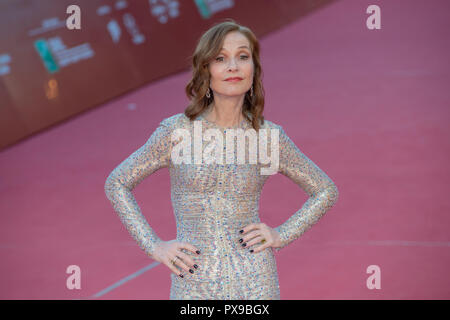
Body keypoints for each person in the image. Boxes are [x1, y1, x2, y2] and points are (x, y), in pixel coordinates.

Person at [104, 19, 339, 300]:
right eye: (220, 58)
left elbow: (325, 190)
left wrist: (281, 234)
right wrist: (154, 246)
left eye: (242, 57)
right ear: (206, 70)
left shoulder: (267, 137)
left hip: (256, 281)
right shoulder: (177, 132)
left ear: (254, 69)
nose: (233, 67)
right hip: (194, 280)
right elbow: (117, 182)